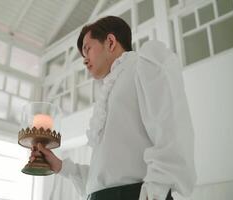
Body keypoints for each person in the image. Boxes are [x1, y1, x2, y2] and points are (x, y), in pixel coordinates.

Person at [31, 16, 197, 200]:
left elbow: (171, 129)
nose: (85, 61)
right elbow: (105, 180)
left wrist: (157, 189)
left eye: (87, 50)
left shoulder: (143, 65)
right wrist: (61, 166)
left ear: (110, 42)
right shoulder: (108, 92)